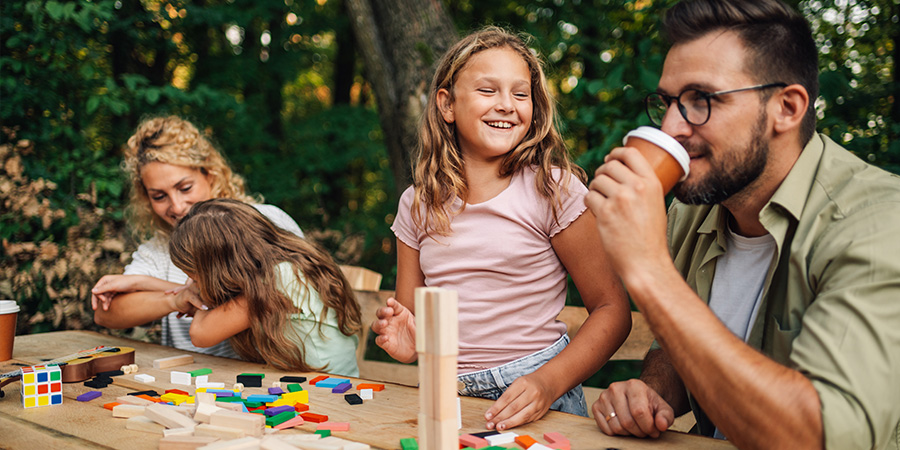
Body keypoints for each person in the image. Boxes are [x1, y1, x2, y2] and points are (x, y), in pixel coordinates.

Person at [585, 1, 900, 448]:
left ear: (786, 108)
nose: (672, 126)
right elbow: (679, 346)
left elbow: (825, 437)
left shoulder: (876, 224)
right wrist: (653, 392)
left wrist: (649, 269)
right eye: (668, 102)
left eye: (701, 100)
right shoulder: (693, 207)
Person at [372, 26, 631, 431]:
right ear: (447, 104)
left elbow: (612, 310)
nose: (507, 105)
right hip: (446, 396)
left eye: (520, 93)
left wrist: (548, 383)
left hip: (537, 393)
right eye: (488, 90)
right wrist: (409, 344)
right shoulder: (417, 204)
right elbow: (412, 324)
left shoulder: (553, 189)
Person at [92, 116, 304, 359]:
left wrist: (160, 287)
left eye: (185, 188)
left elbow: (271, 294)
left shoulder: (265, 223)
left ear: (210, 174)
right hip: (189, 384)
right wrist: (177, 299)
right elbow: (106, 314)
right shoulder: (158, 248)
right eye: (159, 196)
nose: (177, 206)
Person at [167, 198, 361, 376]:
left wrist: (198, 292)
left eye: (194, 275)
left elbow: (200, 334)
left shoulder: (279, 280)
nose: (190, 279)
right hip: (325, 381)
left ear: (218, 269)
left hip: (331, 390)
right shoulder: (289, 262)